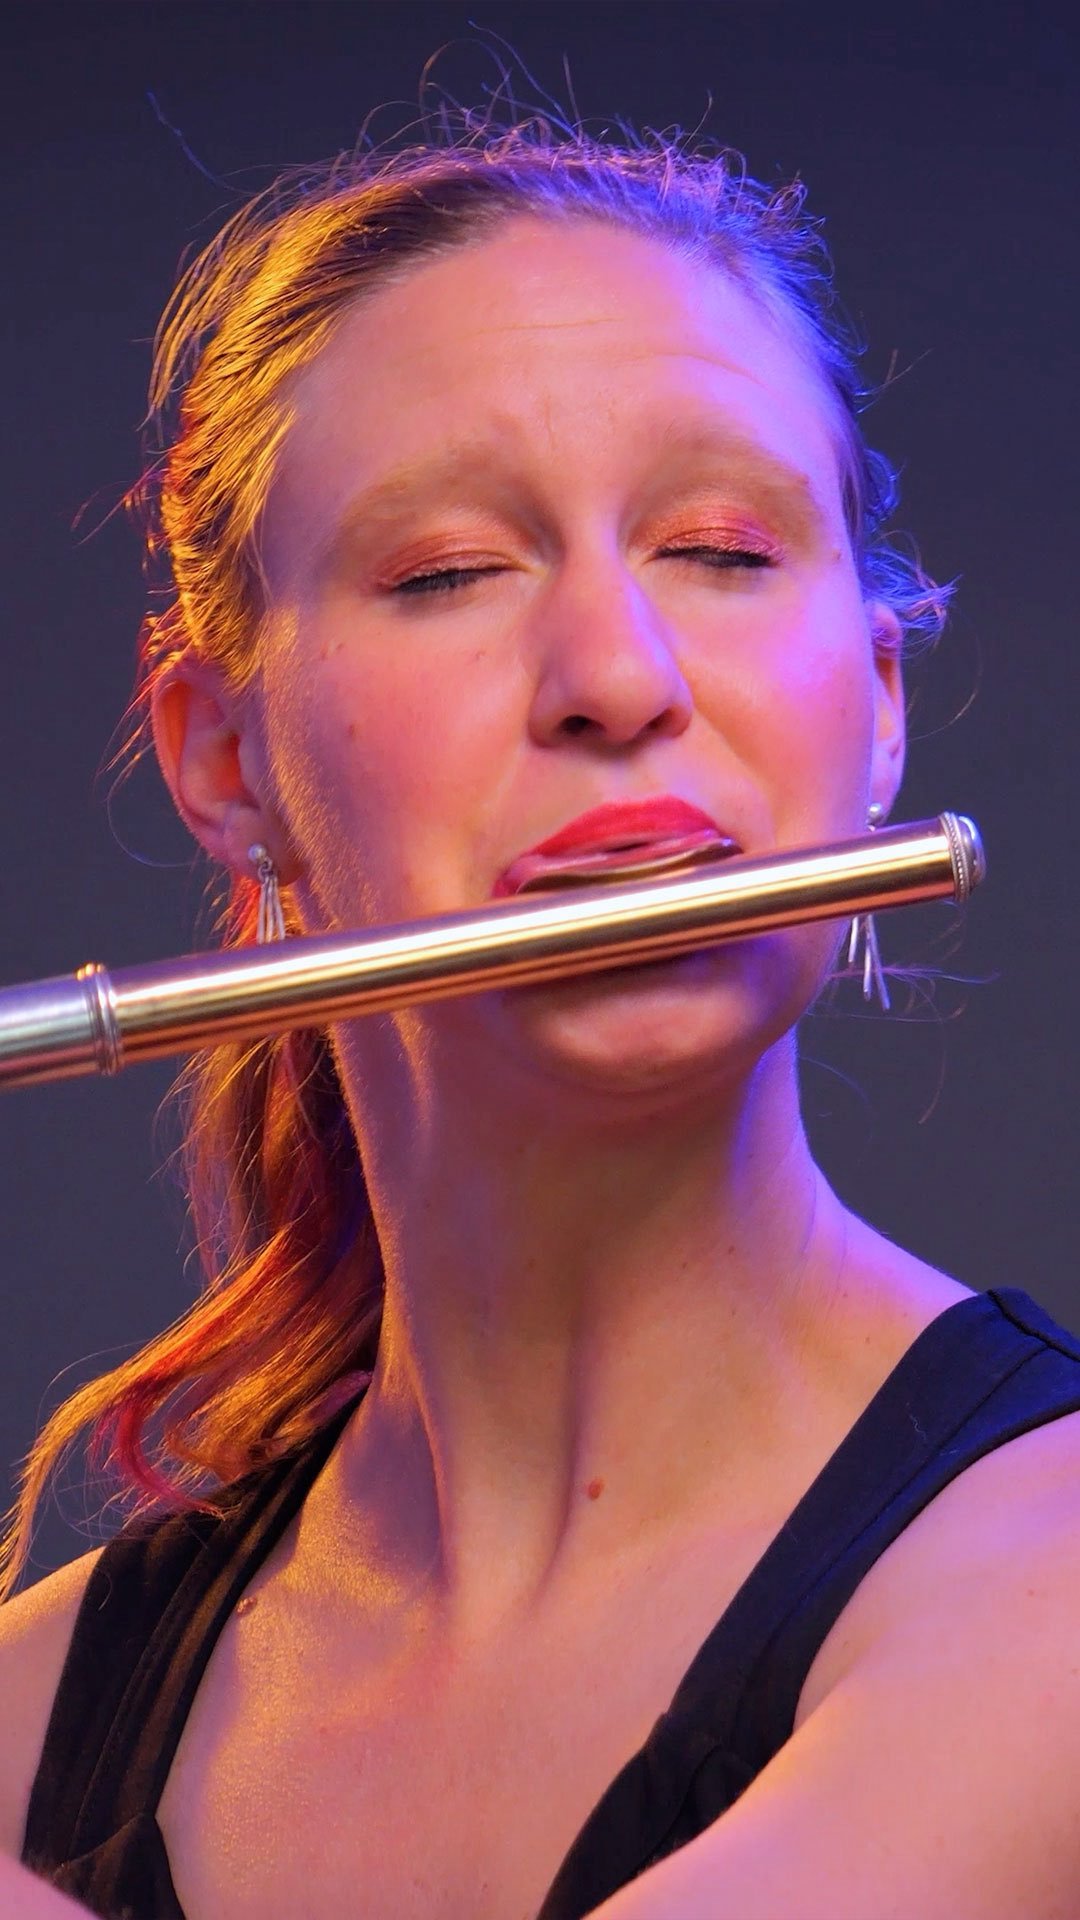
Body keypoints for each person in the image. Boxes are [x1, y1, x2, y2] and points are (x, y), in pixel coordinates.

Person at [2, 120, 1079, 1920]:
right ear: (222, 759)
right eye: (445, 572)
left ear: (879, 704)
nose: (616, 677)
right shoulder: (37, 1713)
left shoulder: (1052, 1582)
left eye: (722, 548)